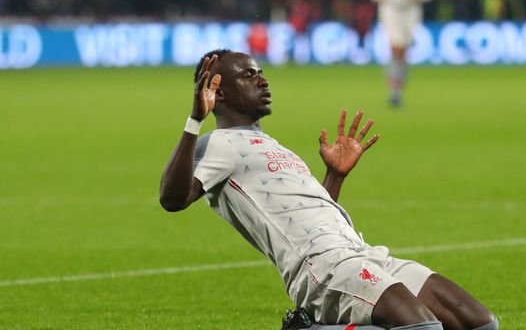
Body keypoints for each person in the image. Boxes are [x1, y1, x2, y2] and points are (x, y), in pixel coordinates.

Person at [159, 49, 499, 330]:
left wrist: (334, 177)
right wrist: (194, 119)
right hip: (322, 267)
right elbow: (173, 199)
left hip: (361, 252)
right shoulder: (219, 145)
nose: (262, 79)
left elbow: (308, 216)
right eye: (248, 75)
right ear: (218, 93)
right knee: (423, 329)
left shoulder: (272, 145)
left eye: (260, 72)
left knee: (480, 324)